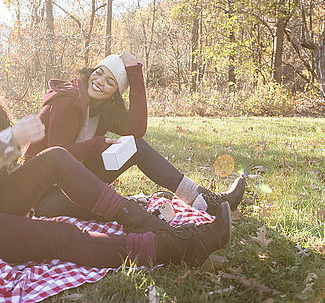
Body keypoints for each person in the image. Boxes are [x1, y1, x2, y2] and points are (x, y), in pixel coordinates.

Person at [0, 29, 231, 282]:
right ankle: (173, 248)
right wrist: (11, 140)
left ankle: (150, 223)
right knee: (63, 238)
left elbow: (134, 130)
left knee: (55, 159)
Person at [24, 52, 246, 220]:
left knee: (134, 146)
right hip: (44, 198)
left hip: (74, 182)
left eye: (110, 81)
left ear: (115, 93)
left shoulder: (102, 109)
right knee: (120, 205)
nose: (100, 81)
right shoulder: (68, 100)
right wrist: (98, 145)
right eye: (98, 72)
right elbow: (55, 157)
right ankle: (197, 206)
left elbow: (137, 131)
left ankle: (202, 200)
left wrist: (135, 75)